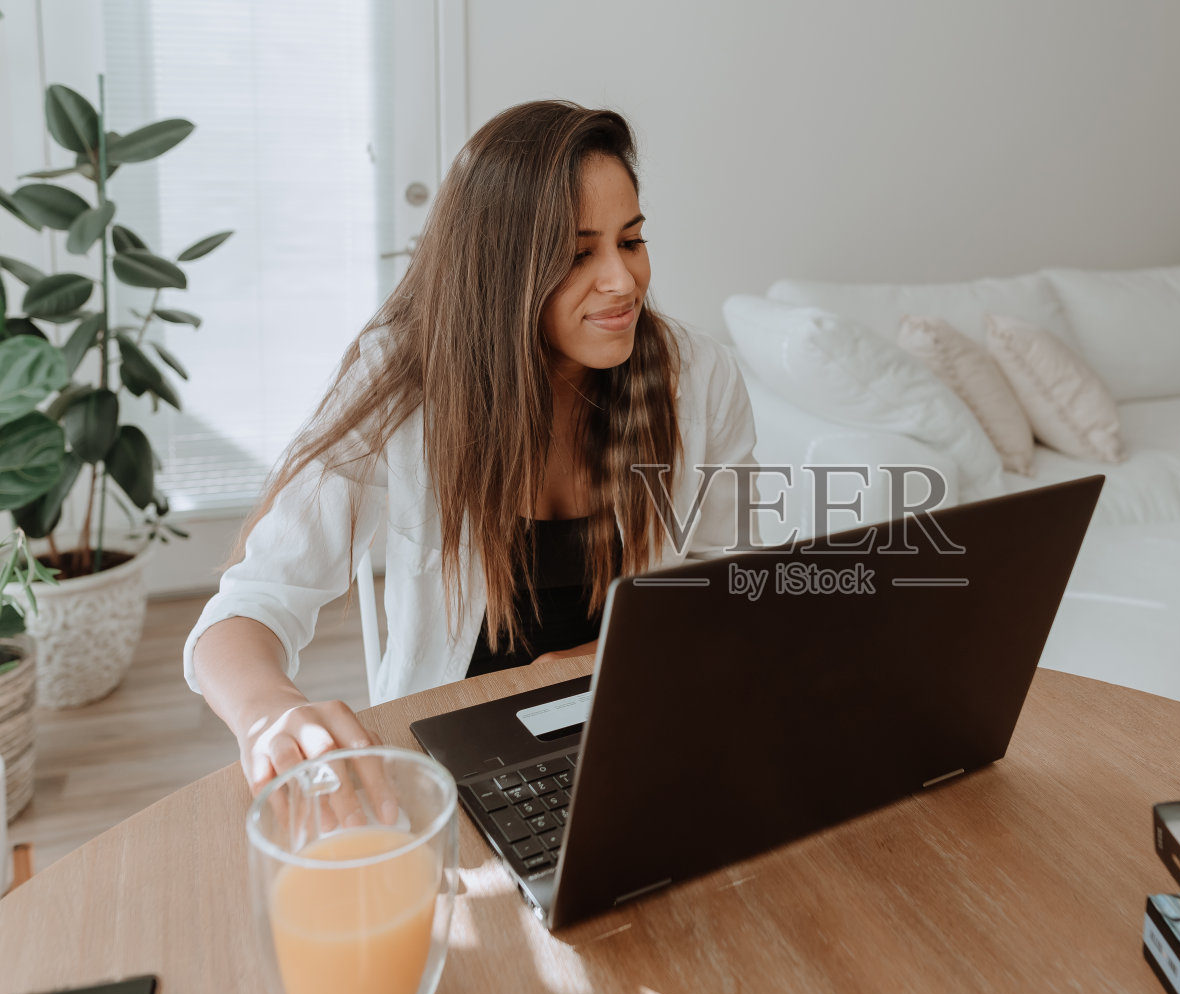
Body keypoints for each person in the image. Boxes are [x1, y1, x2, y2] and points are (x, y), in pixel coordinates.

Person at [185, 101, 757, 795]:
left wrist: (580, 665)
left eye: (630, 241)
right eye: (579, 254)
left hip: (641, 724)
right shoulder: (402, 384)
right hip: (452, 762)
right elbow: (248, 607)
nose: (623, 280)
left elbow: (728, 583)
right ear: (500, 270)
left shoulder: (697, 379)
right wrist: (269, 713)